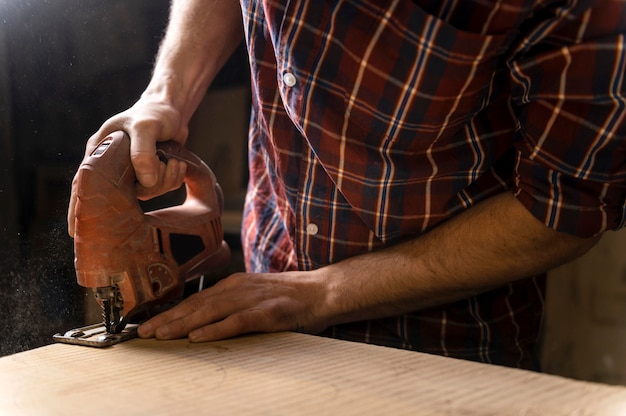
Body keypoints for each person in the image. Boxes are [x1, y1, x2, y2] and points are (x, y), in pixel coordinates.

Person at [68, 0, 626, 370]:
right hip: (262, 310)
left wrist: (315, 294)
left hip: (444, 346)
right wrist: (170, 92)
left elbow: (564, 209)